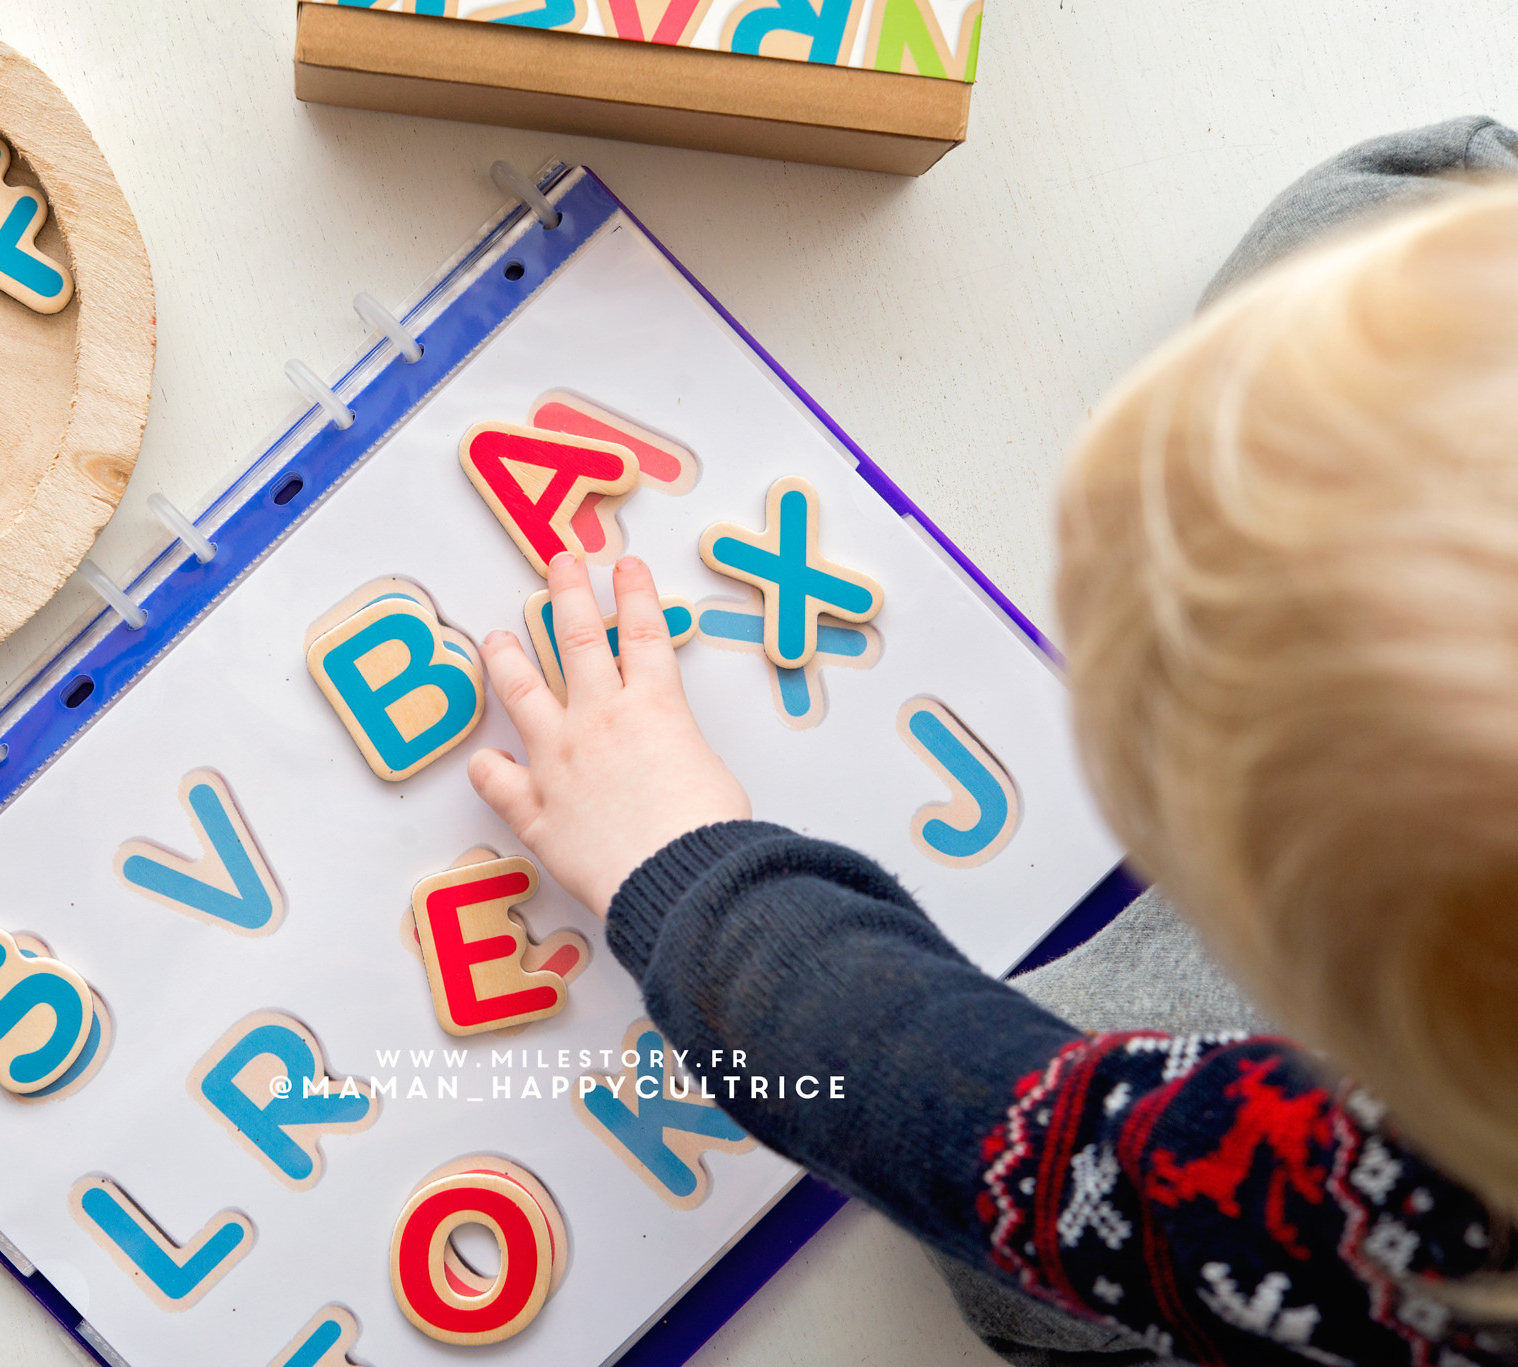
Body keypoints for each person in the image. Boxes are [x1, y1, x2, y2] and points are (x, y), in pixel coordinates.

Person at [466, 119, 1518, 1367]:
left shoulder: (1368, 1214)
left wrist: (678, 856)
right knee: (1359, 278)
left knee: (1026, 1273)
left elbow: (934, 1095)